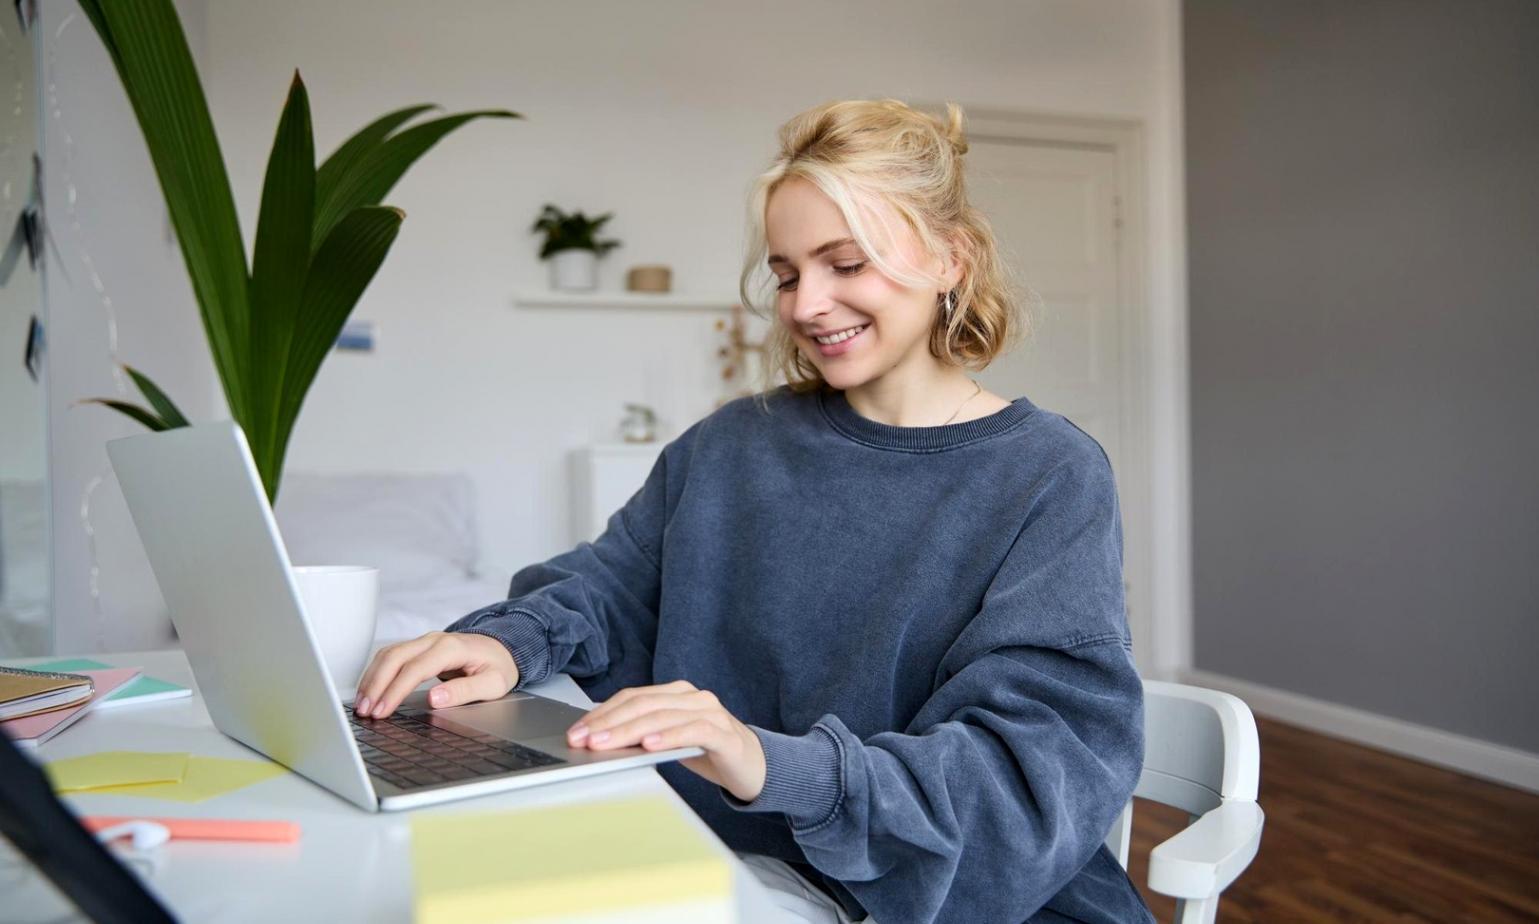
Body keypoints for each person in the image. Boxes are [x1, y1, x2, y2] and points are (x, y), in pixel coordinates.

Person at [354, 99, 1154, 924]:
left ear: (950, 259)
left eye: (844, 264)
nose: (805, 305)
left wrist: (765, 761)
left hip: (936, 900)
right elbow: (607, 589)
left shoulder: (1046, 474)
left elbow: (1022, 778)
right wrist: (501, 641)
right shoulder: (733, 444)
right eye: (785, 273)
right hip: (717, 868)